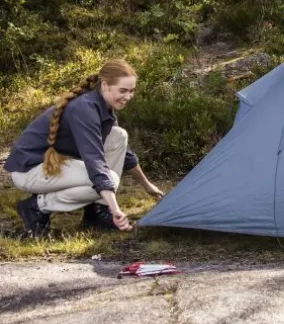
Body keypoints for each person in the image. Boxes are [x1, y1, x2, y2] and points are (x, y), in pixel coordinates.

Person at [4, 59, 164, 237]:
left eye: (131, 91)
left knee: (118, 136)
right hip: (30, 170)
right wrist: (116, 210)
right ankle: (37, 207)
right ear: (105, 85)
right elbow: (94, 159)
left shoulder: (103, 106)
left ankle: (97, 213)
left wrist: (147, 185)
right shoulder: (84, 109)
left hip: (55, 163)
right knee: (108, 179)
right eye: (123, 90)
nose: (128, 96)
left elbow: (124, 154)